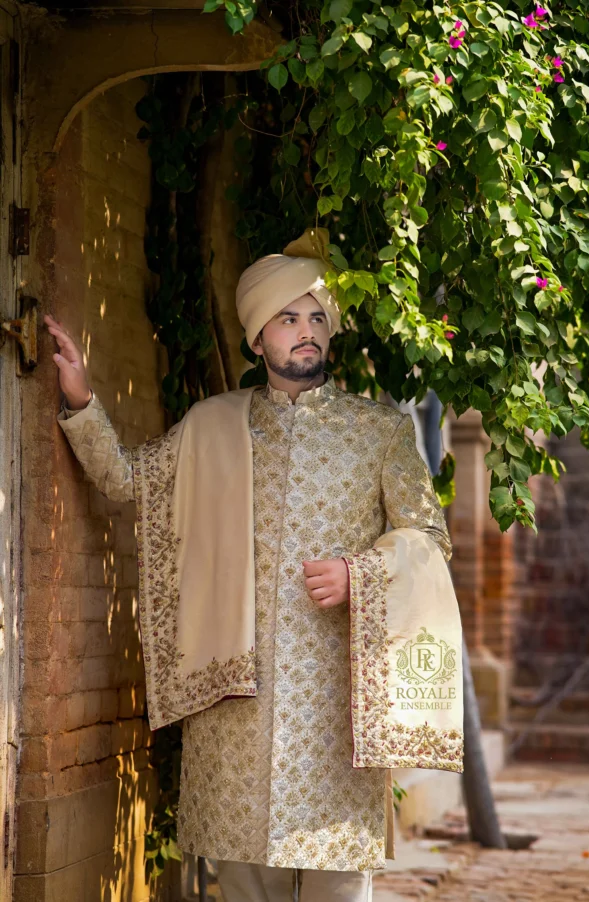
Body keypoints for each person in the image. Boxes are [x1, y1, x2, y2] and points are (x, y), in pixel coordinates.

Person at [45, 228, 461, 902]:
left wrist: (364, 575)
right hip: (237, 714)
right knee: (239, 887)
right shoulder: (213, 425)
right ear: (256, 338)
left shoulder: (379, 432)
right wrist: (81, 400)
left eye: (317, 318)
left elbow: (427, 537)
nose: (305, 331)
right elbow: (128, 481)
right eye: (288, 318)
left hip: (336, 717)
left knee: (336, 885)